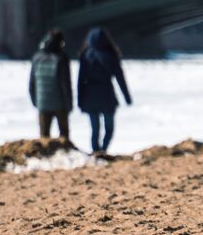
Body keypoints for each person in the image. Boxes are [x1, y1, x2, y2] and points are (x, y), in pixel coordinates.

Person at [77, 27, 132, 155]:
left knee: (95, 129)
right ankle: (103, 149)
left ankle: (95, 150)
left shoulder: (85, 56)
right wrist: (126, 97)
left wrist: (80, 100)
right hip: (107, 95)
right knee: (109, 128)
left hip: (90, 96)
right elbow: (120, 78)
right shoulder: (111, 55)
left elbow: (80, 81)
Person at [28, 28, 73, 141]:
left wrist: (36, 101)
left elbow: (31, 83)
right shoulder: (62, 58)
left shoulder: (37, 57)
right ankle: (65, 157)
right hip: (60, 104)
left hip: (42, 103)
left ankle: (44, 158)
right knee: (64, 135)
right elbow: (65, 84)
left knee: (44, 137)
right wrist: (69, 104)